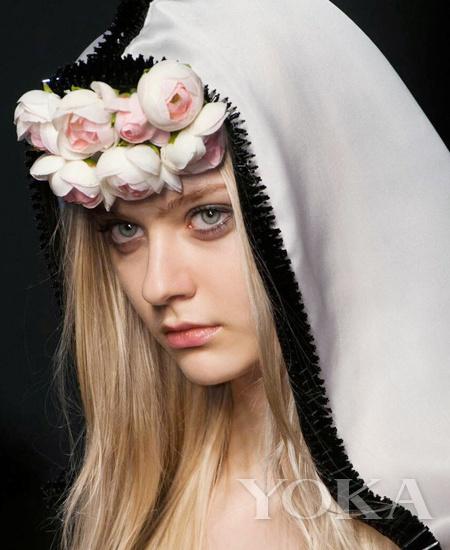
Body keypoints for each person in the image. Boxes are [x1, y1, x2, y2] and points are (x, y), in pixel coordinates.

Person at [14, 0, 449, 548]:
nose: (157, 286)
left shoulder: (429, 503)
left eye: (208, 216)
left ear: (318, 208)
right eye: (124, 230)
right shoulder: (119, 513)